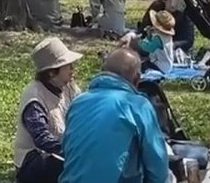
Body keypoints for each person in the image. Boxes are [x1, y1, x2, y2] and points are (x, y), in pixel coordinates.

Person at [59, 48, 168, 183]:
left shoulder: (78, 102)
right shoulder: (138, 105)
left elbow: (66, 149)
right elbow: (158, 167)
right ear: (137, 78)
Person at [13, 37, 82, 183]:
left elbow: (84, 112)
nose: (72, 68)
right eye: (67, 65)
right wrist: (73, 150)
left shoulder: (69, 87)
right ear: (51, 73)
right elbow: (42, 139)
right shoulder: (34, 98)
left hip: (64, 151)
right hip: (35, 160)